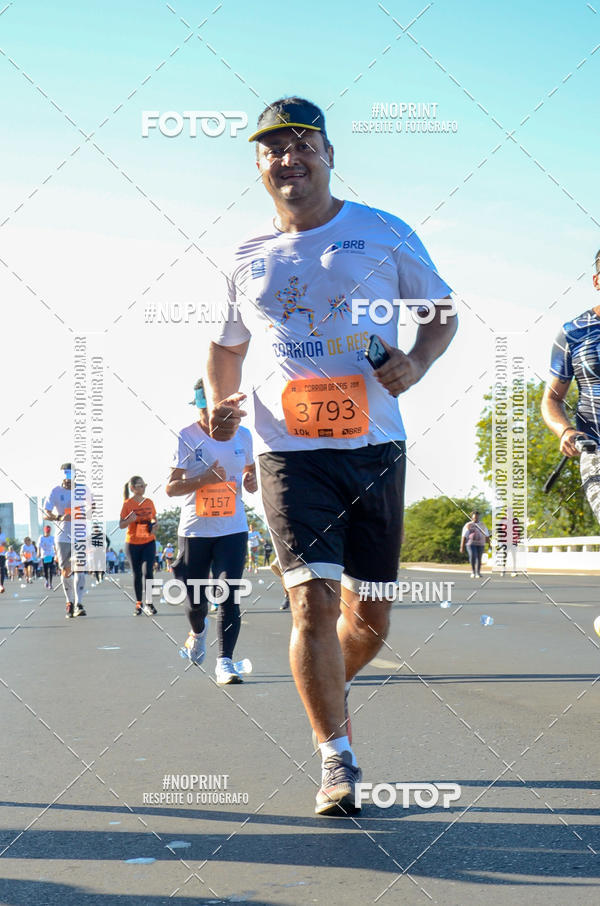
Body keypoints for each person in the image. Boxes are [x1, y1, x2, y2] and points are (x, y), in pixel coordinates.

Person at [205, 97, 456, 814]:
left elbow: (440, 312)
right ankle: (334, 757)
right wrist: (219, 407)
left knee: (369, 619)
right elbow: (227, 347)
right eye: (272, 148)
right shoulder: (245, 257)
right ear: (259, 167)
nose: (288, 158)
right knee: (309, 605)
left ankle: (324, 688)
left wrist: (418, 362)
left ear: (329, 155)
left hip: (374, 444)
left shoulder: (381, 231)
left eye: (302, 144)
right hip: (288, 450)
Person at [166, 378, 257, 684]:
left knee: (228, 593)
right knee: (195, 602)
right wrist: (203, 479)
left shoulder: (243, 435)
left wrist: (251, 481)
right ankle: (198, 632)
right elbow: (171, 488)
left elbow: (250, 472)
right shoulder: (187, 436)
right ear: (202, 404)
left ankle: (225, 662)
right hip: (195, 530)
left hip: (233, 528)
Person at [542, 254, 600, 452]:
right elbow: (552, 399)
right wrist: (565, 431)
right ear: (596, 281)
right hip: (595, 452)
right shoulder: (573, 332)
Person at [43, 462, 88, 618]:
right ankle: (69, 601)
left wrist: (85, 513)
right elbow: (46, 513)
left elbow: (93, 506)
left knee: (80, 568)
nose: (69, 479)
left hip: (80, 535)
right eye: (66, 475)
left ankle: (79, 603)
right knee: (66, 570)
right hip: (62, 536)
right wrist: (60, 517)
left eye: (71, 475)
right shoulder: (55, 491)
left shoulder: (83, 489)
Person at [119, 477, 158, 616]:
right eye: (140, 486)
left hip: (148, 541)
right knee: (137, 574)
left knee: (148, 571)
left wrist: (154, 525)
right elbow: (121, 524)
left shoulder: (149, 502)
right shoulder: (127, 504)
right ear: (133, 488)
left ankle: (149, 603)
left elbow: (154, 518)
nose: (143, 488)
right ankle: (138, 603)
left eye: (144, 485)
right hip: (133, 544)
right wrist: (130, 519)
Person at [459, 511, 489, 578]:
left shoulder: (482, 524)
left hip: (481, 544)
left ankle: (478, 572)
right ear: (472, 518)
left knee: (479, 558)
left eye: (477, 517)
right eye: (475, 517)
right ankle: (473, 571)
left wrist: (489, 545)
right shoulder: (468, 525)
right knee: (473, 556)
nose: (476, 518)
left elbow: (487, 535)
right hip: (471, 544)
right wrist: (462, 547)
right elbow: (464, 536)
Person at [0, 526, 7, 593]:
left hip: (1, 554)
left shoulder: (3, 535)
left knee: (1, 569)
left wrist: (4, 543)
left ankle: (1, 585)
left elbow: (5, 543)